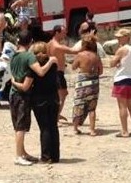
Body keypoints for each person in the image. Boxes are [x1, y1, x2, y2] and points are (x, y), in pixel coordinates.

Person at [9, 30, 58, 166]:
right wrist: (52, 61)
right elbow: (41, 72)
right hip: (22, 94)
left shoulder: (14, 56)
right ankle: (19, 155)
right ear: (30, 42)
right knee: (21, 127)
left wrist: (13, 82)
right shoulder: (29, 57)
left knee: (18, 125)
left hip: (13, 94)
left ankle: (23, 152)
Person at [46, 26, 81, 122]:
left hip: (52, 72)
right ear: (57, 33)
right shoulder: (57, 46)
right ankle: (55, 117)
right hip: (58, 73)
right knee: (62, 95)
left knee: (58, 95)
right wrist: (85, 41)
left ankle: (55, 115)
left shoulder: (49, 44)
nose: (65, 35)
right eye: (63, 33)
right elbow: (75, 51)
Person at [110, 29, 131, 137]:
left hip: (121, 79)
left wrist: (116, 59)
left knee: (122, 106)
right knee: (130, 105)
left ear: (126, 37)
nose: (118, 39)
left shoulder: (122, 49)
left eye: (120, 37)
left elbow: (112, 63)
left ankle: (124, 130)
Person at [71, 37, 103, 136]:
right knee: (92, 108)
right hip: (93, 83)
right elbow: (101, 71)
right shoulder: (96, 56)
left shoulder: (80, 55)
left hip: (82, 83)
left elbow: (73, 67)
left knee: (78, 104)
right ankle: (92, 130)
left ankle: (75, 128)